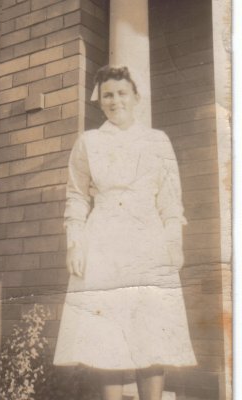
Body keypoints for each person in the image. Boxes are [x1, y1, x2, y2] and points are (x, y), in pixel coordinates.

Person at [53, 65, 197, 400]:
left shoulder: (157, 141)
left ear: (135, 96)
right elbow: (76, 195)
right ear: (99, 100)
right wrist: (74, 244)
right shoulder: (88, 142)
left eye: (121, 93)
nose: (115, 101)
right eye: (107, 95)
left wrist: (174, 240)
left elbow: (170, 199)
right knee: (108, 334)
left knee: (151, 332)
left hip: (148, 240)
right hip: (103, 241)